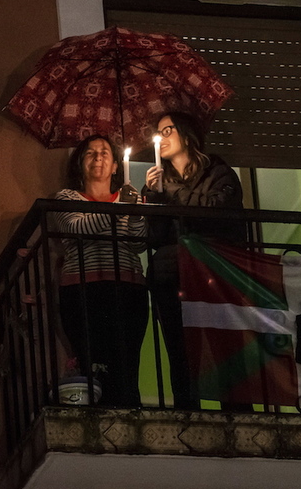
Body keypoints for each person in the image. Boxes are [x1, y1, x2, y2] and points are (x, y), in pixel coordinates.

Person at [142, 111, 245, 409]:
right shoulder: (162, 185)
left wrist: (170, 192)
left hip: (214, 274)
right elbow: (154, 237)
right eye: (157, 133)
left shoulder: (218, 171)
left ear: (186, 135)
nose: (161, 138)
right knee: (181, 353)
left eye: (167, 130)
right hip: (173, 276)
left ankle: (237, 416)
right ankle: (188, 414)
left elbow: (216, 209)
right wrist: (155, 197)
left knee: (225, 350)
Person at [55, 134, 147, 407]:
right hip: (83, 290)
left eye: (105, 153)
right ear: (80, 164)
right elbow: (77, 228)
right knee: (92, 362)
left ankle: (131, 417)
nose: (98, 158)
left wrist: (136, 211)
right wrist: (119, 209)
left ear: (117, 166)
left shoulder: (129, 199)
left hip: (127, 290)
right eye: (90, 153)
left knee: (126, 362)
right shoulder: (67, 197)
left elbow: (139, 242)